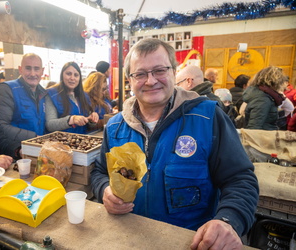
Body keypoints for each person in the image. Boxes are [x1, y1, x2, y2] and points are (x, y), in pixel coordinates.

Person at [90, 38, 259, 249]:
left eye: (159, 70)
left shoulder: (208, 117)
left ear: (173, 72)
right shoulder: (115, 126)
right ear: (129, 80)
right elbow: (99, 172)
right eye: (140, 74)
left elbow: (240, 179)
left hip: (189, 242)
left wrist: (228, 221)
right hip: (127, 240)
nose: (151, 81)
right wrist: (104, 189)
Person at [0, 53, 47, 159]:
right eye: (28, 68)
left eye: (36, 69)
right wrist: (34, 138)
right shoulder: (7, 89)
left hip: (38, 153)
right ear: (20, 70)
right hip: (14, 155)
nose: (32, 73)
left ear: (42, 71)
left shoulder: (43, 94)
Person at [45, 61, 99, 134]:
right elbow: (50, 125)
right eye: (68, 74)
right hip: (60, 142)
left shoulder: (84, 96)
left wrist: (91, 119)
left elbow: (87, 122)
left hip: (81, 141)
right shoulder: (52, 94)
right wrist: (71, 120)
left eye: (76, 75)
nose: (72, 78)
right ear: (62, 75)